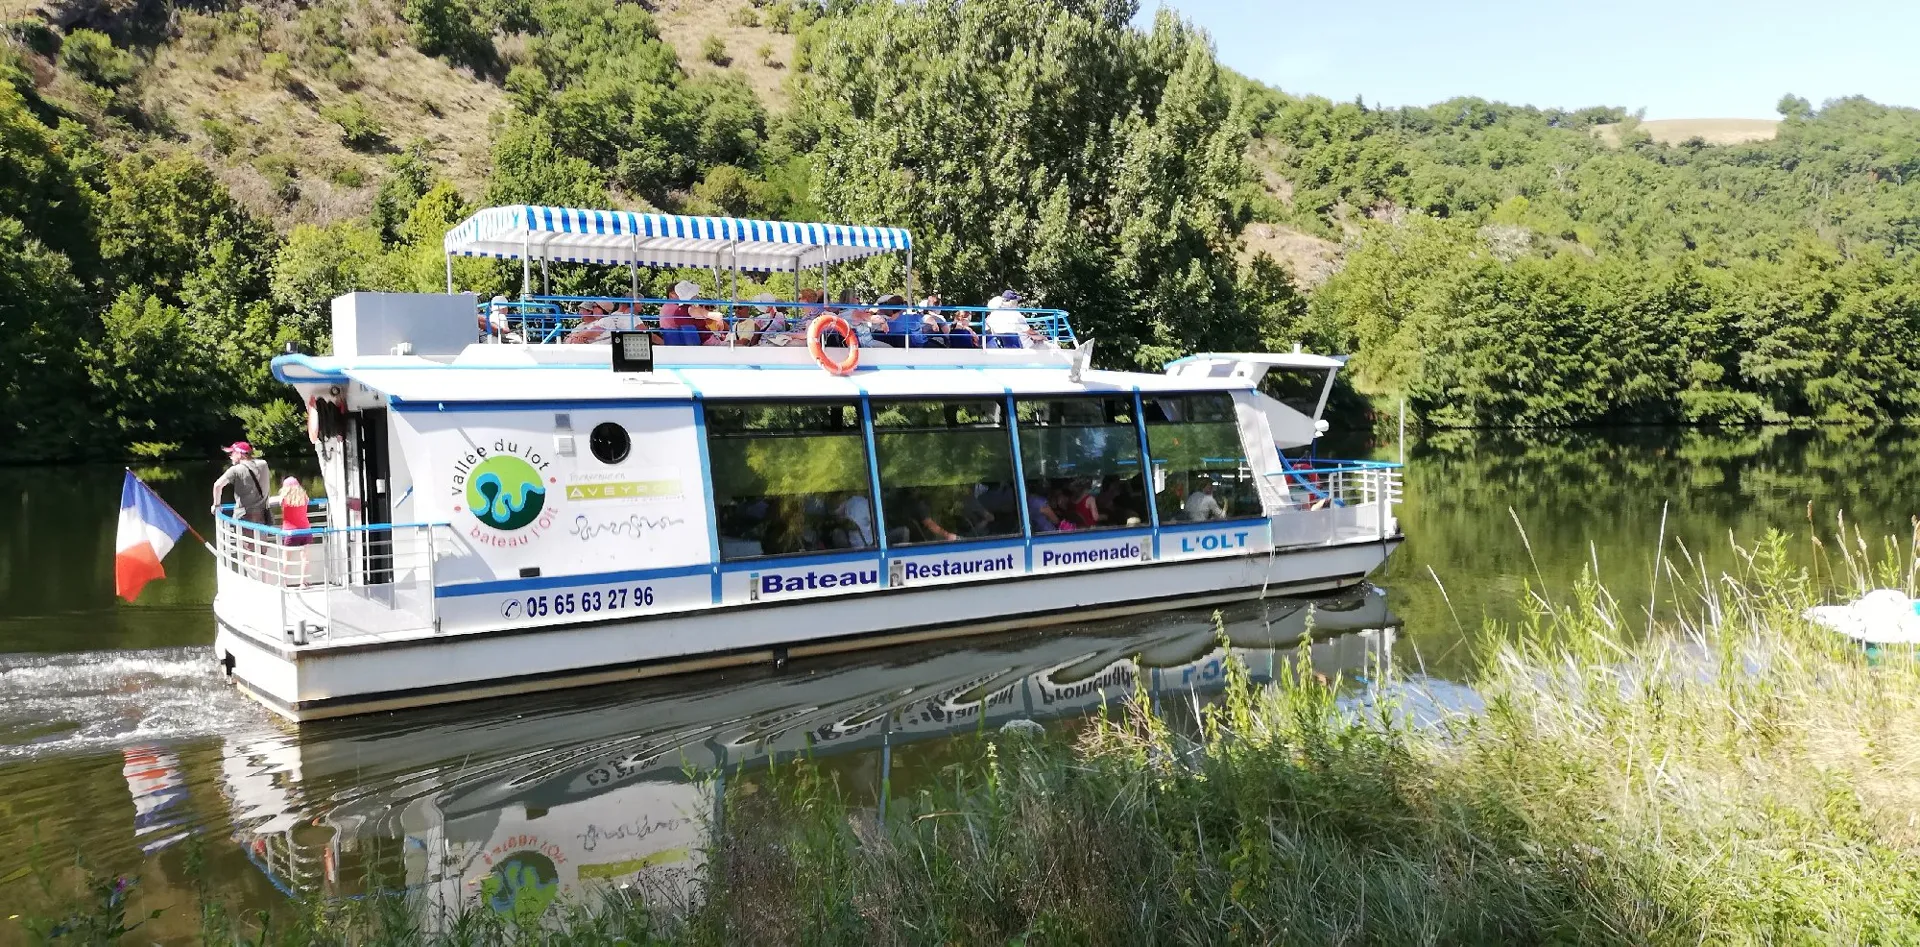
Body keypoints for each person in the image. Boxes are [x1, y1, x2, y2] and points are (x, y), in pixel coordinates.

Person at [213, 442, 271, 569]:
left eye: (232, 453)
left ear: (240, 454)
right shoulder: (264, 464)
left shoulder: (235, 470)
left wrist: (216, 505)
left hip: (245, 516)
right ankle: (265, 581)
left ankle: (254, 581)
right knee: (262, 551)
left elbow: (218, 486)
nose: (230, 456)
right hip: (263, 515)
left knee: (248, 550)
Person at [274, 477, 314, 584]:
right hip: (305, 530)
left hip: (290, 532)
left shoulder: (284, 499)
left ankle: (283, 582)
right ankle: (303, 582)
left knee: (286, 559)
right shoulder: (305, 497)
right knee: (305, 558)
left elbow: (278, 503)